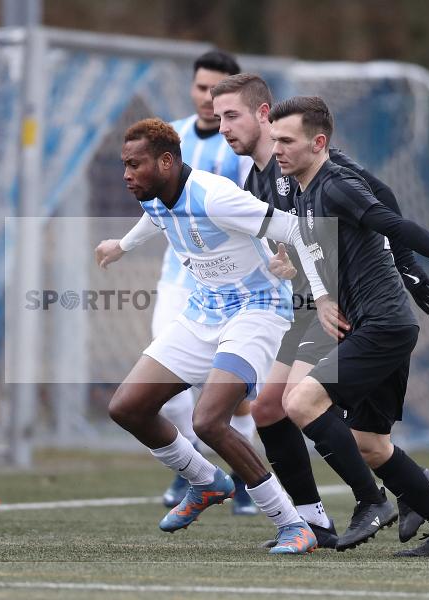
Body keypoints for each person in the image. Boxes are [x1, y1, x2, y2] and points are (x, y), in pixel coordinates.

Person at [267, 96, 429, 557]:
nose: (276, 148)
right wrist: (314, 290)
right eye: (274, 139)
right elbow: (317, 249)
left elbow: (393, 223)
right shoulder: (303, 190)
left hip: (385, 324)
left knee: (299, 401)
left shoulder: (336, 184)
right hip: (373, 326)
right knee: (371, 445)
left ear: (318, 143)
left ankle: (372, 502)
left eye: (286, 140)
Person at [210, 73, 429, 549]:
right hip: (307, 303)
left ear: (262, 114)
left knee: (297, 405)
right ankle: (323, 516)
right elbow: (299, 240)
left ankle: (373, 498)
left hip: (337, 304)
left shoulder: (315, 161)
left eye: (231, 116)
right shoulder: (257, 180)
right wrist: (283, 261)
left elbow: (382, 202)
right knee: (270, 410)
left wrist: (408, 265)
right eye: (217, 119)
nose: (224, 127)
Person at [95, 118, 326, 554]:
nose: (126, 174)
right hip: (204, 310)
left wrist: (313, 286)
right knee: (127, 408)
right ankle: (205, 482)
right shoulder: (155, 194)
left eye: (134, 165)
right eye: (123, 164)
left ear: (166, 162)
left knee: (208, 420)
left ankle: (293, 525)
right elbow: (155, 219)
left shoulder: (216, 197)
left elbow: (295, 229)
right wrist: (122, 246)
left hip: (257, 311)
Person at [153, 50, 258, 515]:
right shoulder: (169, 139)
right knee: (164, 387)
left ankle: (243, 476)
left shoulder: (240, 149)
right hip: (178, 281)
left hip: (233, 288)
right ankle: (197, 472)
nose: (206, 99)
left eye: (217, 92)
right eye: (201, 88)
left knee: (232, 396)